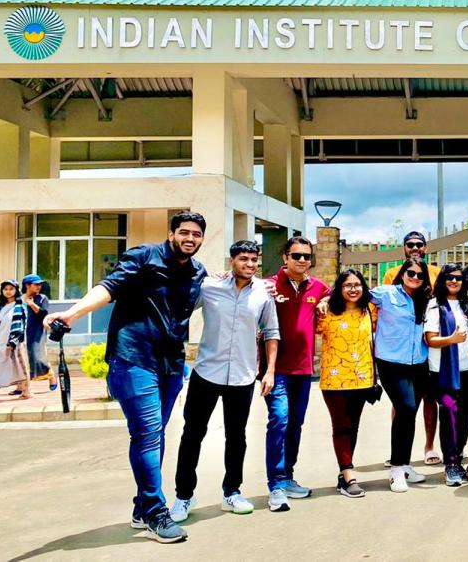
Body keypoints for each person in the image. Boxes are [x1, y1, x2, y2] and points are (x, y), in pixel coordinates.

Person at [43, 211, 208, 544]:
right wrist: (73, 314)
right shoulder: (144, 256)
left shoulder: (197, 272)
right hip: (133, 358)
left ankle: (141, 506)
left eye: (196, 234)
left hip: (171, 364)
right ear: (172, 233)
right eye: (184, 232)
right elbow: (108, 287)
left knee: (156, 435)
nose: (190, 238)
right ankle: (155, 513)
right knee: (147, 434)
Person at [171, 241, 280, 522]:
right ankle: (184, 496)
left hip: (243, 376)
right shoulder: (209, 287)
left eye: (254, 260)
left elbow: (271, 332)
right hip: (206, 372)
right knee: (192, 434)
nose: (250, 264)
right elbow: (180, 307)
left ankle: (232, 492)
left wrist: (269, 372)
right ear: (231, 261)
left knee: (237, 436)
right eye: (244, 259)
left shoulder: (263, 294)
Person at [264, 236, 329, 509]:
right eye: (296, 255)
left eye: (306, 256)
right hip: (275, 368)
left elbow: (333, 295)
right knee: (279, 419)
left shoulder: (318, 287)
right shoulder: (267, 285)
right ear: (285, 258)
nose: (302, 260)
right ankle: (276, 483)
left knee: (295, 423)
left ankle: (288, 476)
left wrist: (325, 301)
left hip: (303, 369)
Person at [369, 258, 433, 493]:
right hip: (391, 362)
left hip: (418, 364)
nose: (415, 277)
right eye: (411, 273)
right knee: (405, 408)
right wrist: (327, 300)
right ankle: (395, 468)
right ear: (402, 273)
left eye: (419, 274)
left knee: (410, 413)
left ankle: (405, 464)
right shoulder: (386, 294)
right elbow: (354, 294)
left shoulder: (425, 299)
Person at [317, 269, 377, 499]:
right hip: (334, 379)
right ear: (339, 289)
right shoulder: (326, 311)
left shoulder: (369, 310)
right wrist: (323, 300)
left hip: (362, 377)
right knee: (341, 425)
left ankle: (345, 471)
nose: (353, 289)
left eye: (357, 285)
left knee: (353, 426)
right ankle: (348, 475)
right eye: (347, 285)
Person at [424, 264, 468, 487]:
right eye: (450, 278)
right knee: (448, 414)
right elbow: (430, 339)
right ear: (443, 280)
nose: (454, 281)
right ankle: (450, 463)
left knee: (464, 415)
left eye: (458, 278)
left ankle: (458, 457)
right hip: (443, 372)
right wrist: (451, 340)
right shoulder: (435, 305)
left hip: (467, 370)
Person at [0, 280, 31, 402]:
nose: (8, 291)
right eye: (5, 289)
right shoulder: (0, 306)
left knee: (20, 365)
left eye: (11, 289)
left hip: (15, 342)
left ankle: (26, 391)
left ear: (16, 290)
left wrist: (12, 341)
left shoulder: (19, 305)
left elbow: (20, 325)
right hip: (0, 341)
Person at [19, 274, 53, 391]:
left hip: (36, 332)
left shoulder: (42, 298)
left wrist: (31, 304)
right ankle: (21, 387)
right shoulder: (19, 299)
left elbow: (44, 314)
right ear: (27, 285)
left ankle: (50, 375)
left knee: (37, 357)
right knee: (21, 360)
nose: (39, 286)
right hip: (21, 332)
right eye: (36, 284)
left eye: (40, 284)